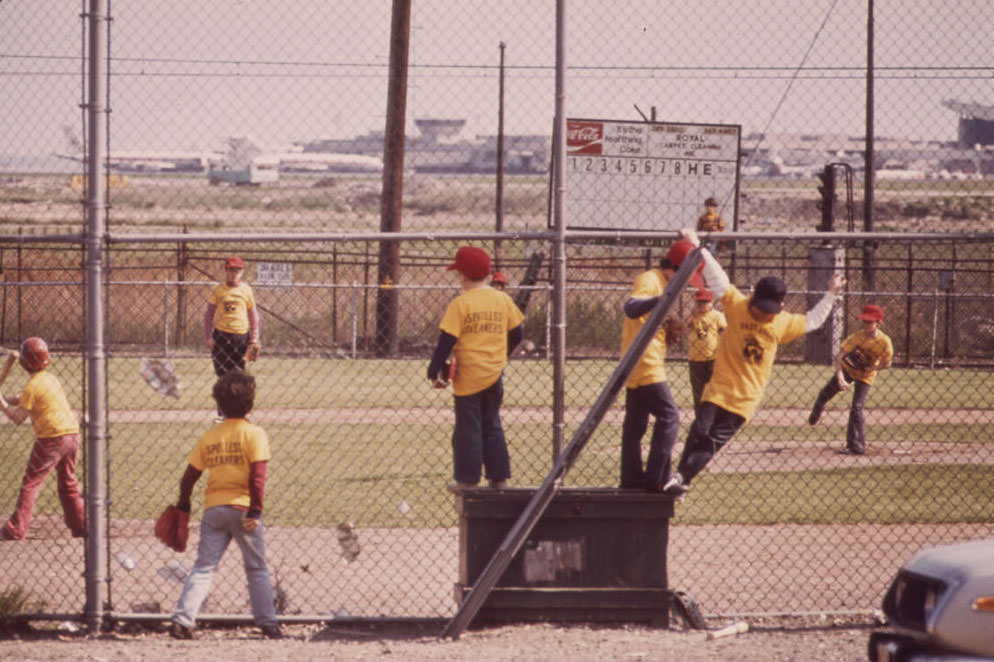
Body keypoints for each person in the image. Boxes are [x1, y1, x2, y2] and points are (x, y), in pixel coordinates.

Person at [663, 229, 846, 498]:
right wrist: (695, 244)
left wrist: (831, 294)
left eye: (770, 310)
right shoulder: (737, 305)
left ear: (781, 306)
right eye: (760, 307)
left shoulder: (782, 323)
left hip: (745, 400)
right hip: (719, 389)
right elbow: (716, 275)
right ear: (752, 298)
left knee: (711, 443)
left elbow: (815, 319)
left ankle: (682, 479)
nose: (763, 314)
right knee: (698, 432)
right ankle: (680, 478)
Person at [169, 370, 282, 640]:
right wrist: (256, 509)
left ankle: (182, 620)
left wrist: (183, 505)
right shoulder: (255, 434)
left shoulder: (211, 435)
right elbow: (257, 479)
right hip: (245, 509)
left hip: (215, 510)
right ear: (251, 404)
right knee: (256, 568)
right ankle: (268, 623)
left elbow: (189, 478)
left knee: (204, 567)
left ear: (219, 405)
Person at [427, 246, 524, 494]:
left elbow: (446, 341)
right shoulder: (502, 299)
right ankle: (499, 478)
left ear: (463, 276)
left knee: (468, 428)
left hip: (468, 377)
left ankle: (468, 480)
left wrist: (434, 367)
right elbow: (517, 332)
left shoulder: (461, 304)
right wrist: (502, 354)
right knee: (492, 425)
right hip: (494, 373)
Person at [619, 240, 703, 492]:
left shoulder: (665, 283)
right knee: (669, 416)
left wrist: (666, 324)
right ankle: (657, 478)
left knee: (635, 424)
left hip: (638, 361)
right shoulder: (651, 279)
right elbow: (631, 308)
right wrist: (660, 300)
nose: (688, 281)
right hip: (645, 361)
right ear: (675, 267)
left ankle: (631, 481)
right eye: (686, 274)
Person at [0, 337, 86, 541]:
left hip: (51, 438)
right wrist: (4, 397)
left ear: (23, 363)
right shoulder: (49, 379)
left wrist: (2, 405)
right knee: (68, 484)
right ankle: (83, 526)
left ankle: (16, 529)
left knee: (31, 484)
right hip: (72, 436)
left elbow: (18, 418)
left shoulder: (33, 386)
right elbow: (23, 399)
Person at [808, 304, 893, 455]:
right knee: (825, 393)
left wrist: (872, 368)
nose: (866, 324)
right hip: (848, 370)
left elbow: (887, 364)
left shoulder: (885, 342)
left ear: (878, 323)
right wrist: (841, 378)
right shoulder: (856, 337)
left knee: (857, 407)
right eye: (864, 321)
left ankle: (856, 446)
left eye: (870, 321)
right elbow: (838, 357)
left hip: (866, 375)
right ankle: (815, 416)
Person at [204, 256, 260, 377]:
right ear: (226, 271)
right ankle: (224, 395)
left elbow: (253, 316)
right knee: (221, 373)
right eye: (231, 270)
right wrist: (208, 336)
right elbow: (208, 315)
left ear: (242, 272)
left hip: (240, 337)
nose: (234, 273)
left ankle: (236, 396)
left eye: (237, 270)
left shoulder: (246, 290)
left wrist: (254, 338)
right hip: (221, 336)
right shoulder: (218, 290)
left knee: (238, 373)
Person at [686, 288, 727, 411]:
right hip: (695, 359)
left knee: (714, 391)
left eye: (705, 302)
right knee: (698, 393)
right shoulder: (693, 316)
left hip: (712, 359)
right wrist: (691, 314)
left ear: (712, 302)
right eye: (699, 302)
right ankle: (700, 417)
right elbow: (683, 326)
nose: (702, 305)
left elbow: (724, 332)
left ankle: (714, 416)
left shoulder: (716, 315)